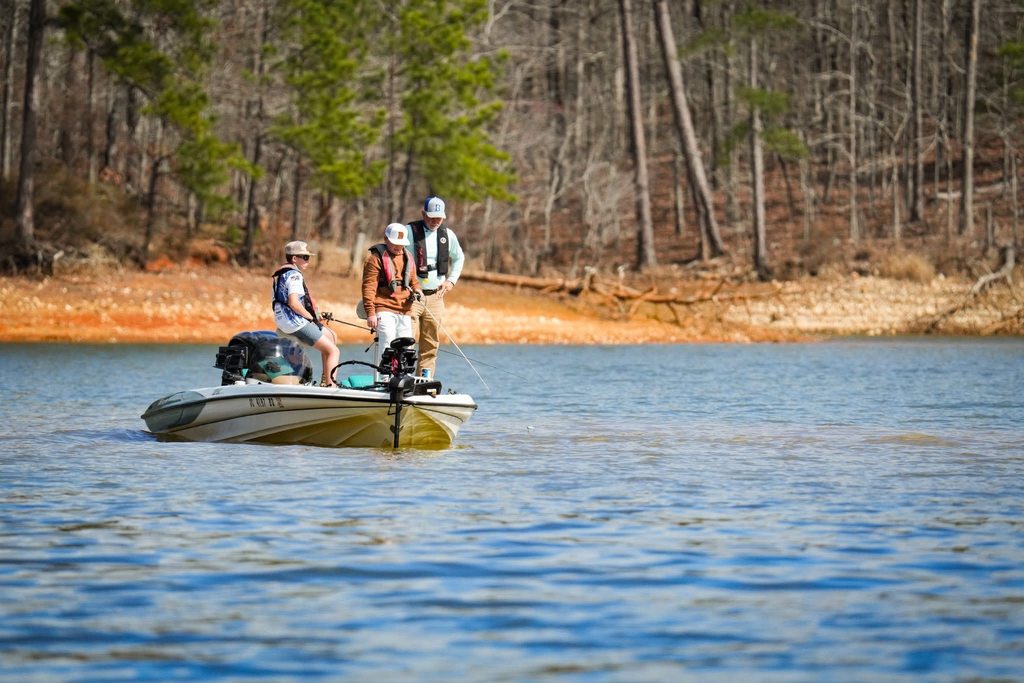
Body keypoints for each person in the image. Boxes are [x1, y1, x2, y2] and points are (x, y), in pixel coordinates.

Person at [406, 195, 465, 377]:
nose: (434, 221)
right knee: (406, 339)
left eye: (438, 218)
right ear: (423, 214)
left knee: (430, 342)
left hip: (436, 297)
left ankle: (424, 380)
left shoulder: (447, 235)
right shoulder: (409, 231)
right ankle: (403, 378)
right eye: (431, 217)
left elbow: (459, 258)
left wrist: (451, 280)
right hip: (411, 296)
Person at [271, 240, 340, 387]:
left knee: (331, 336)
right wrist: (312, 318)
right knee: (333, 351)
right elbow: (293, 303)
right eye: (305, 257)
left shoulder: (282, 273)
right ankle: (331, 385)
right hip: (294, 323)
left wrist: (316, 315)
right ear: (294, 258)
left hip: (284, 321)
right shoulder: (295, 276)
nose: (308, 260)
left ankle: (325, 380)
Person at [361, 223, 423, 377]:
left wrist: (418, 291)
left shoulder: (408, 257)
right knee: (387, 339)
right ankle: (384, 378)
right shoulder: (374, 259)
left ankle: (403, 377)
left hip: (405, 309)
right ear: (386, 239)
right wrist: (371, 313)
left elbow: (414, 281)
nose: (398, 246)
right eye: (395, 242)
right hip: (383, 307)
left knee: (407, 344)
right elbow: (368, 287)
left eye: (401, 244)